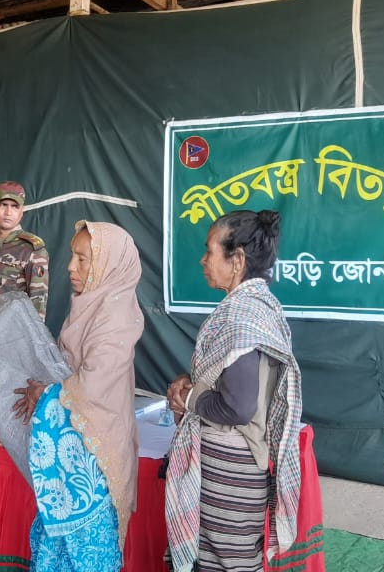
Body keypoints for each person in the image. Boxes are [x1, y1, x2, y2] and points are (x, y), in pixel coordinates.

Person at [162, 210, 302, 572]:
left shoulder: (241, 317)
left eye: (210, 252)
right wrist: (195, 388)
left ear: (237, 259)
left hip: (230, 470)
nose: (203, 260)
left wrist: (189, 398)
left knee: (225, 564)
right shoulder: (257, 308)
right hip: (239, 465)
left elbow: (238, 407)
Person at [10, 221, 144, 571]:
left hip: (94, 459)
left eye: (83, 259)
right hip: (70, 463)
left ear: (107, 265)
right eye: (73, 257)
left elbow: (93, 384)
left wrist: (46, 392)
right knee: (59, 548)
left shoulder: (115, 316)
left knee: (87, 552)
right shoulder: (89, 306)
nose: (71, 266)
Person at [0, 181, 49, 319]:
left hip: (7, 330)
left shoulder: (31, 250)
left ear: (22, 211)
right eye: (3, 205)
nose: (8, 212)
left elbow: (38, 301)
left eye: (14, 207)